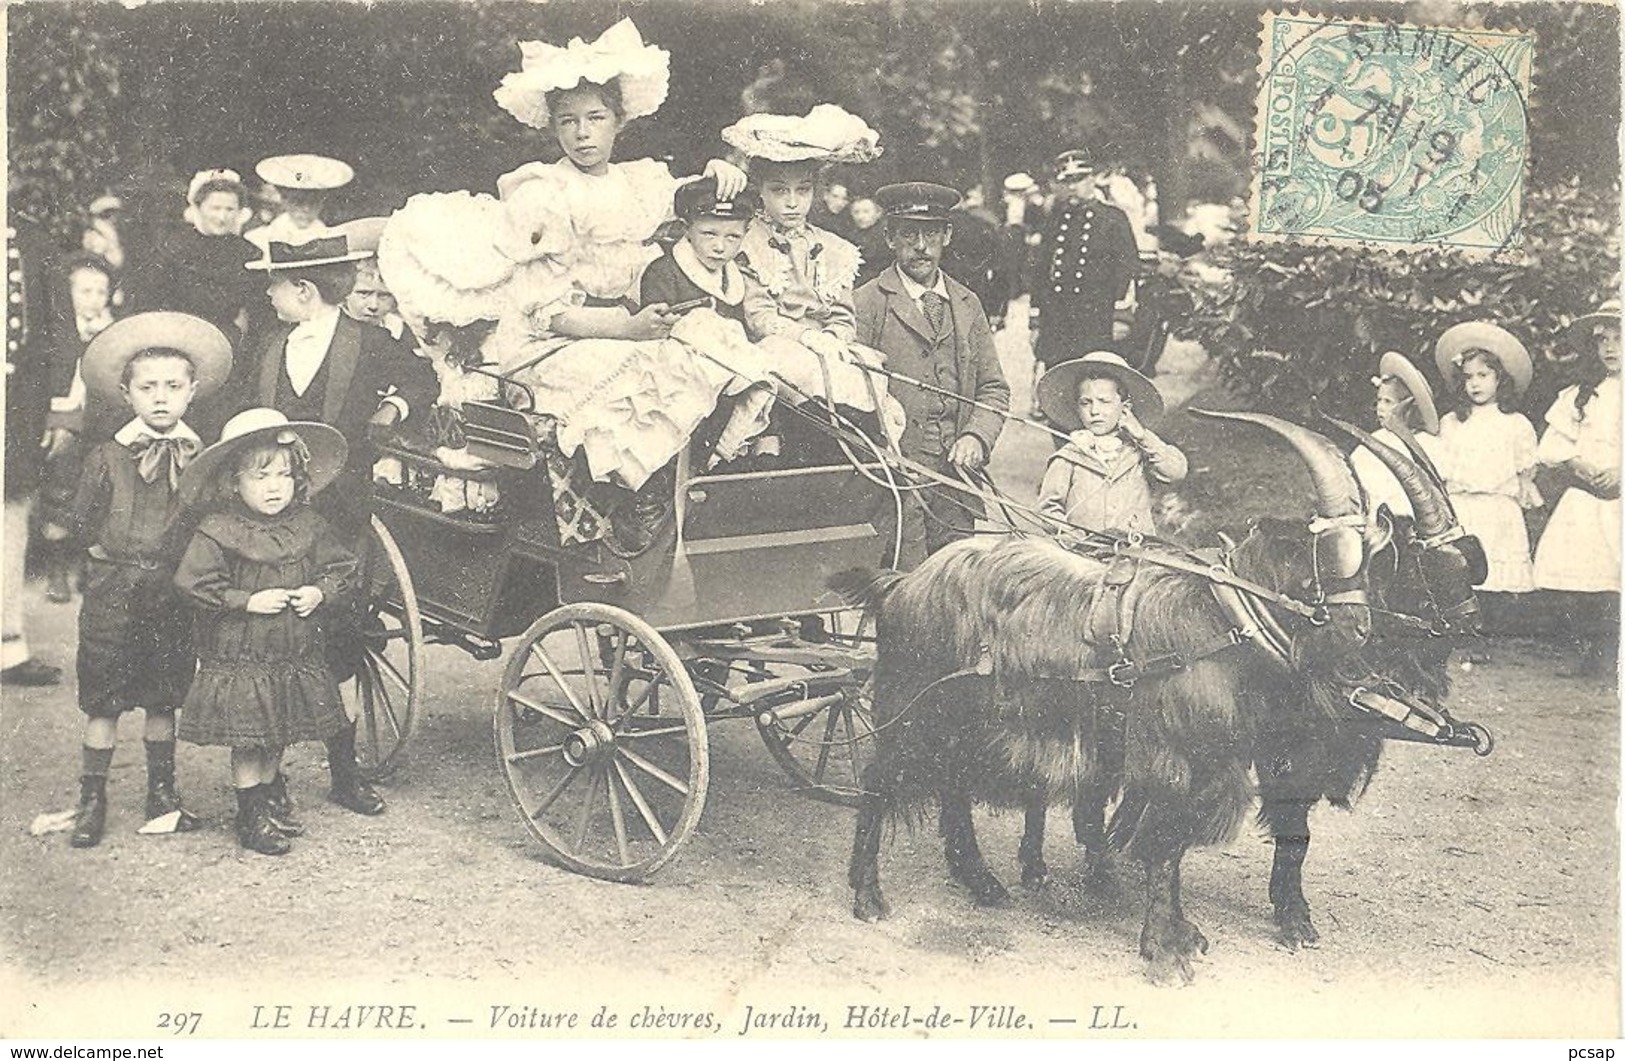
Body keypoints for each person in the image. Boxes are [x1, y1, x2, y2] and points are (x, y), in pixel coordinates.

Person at [489, 18, 776, 551]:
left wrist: (717, 169)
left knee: (717, 349)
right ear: (553, 128)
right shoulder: (543, 191)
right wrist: (627, 328)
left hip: (633, 324)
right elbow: (548, 312)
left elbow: (691, 196)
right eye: (568, 121)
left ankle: (702, 479)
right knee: (638, 376)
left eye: (596, 118)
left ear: (618, 122)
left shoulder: (637, 182)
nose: (583, 133)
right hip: (559, 339)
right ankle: (637, 499)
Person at [241, 232, 440, 816]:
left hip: (342, 512)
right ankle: (268, 778)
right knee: (272, 638)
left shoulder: (369, 341)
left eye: (275, 284)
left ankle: (344, 771)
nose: (270, 295)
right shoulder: (268, 345)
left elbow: (423, 381)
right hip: (274, 512)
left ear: (302, 290)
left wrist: (391, 409)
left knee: (343, 640)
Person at [61, 311, 234, 847]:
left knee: (163, 697)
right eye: (148, 387)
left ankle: (162, 791)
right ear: (126, 392)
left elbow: (208, 523)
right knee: (104, 698)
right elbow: (83, 522)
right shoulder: (106, 456)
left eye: (173, 387)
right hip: (115, 592)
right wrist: (105, 562)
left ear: (192, 391)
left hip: (171, 594)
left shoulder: (201, 459)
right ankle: (93, 796)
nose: (161, 398)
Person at [173, 409, 357, 855]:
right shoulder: (219, 531)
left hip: (293, 650)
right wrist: (246, 601)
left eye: (284, 475)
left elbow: (341, 568)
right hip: (245, 655)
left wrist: (318, 591)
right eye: (261, 476)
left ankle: (270, 795)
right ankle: (250, 812)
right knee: (250, 736)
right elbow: (194, 583)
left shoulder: (308, 525)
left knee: (280, 729)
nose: (274, 487)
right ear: (233, 482)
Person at [854, 182, 1010, 569]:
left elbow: (994, 387)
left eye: (932, 233)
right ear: (890, 237)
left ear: (948, 236)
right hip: (896, 485)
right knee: (906, 592)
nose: (921, 246)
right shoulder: (867, 303)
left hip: (958, 484)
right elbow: (849, 397)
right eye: (909, 233)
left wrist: (976, 436)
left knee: (955, 589)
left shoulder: (967, 303)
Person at [726, 103, 891, 467]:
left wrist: (834, 338)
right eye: (779, 191)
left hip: (824, 348)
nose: (791, 202)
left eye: (802, 191)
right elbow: (758, 315)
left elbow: (843, 315)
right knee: (797, 370)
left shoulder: (834, 247)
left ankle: (852, 461)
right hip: (772, 347)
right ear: (761, 191)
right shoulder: (746, 242)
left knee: (863, 370)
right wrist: (805, 338)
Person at [1434, 321, 1540, 633]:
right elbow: (1442, 464)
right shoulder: (1453, 422)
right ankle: (1464, 628)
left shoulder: (1515, 423)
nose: (1475, 384)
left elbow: (1526, 467)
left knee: (1496, 566)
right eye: (1468, 377)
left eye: (1483, 375)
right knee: (1461, 570)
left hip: (1497, 506)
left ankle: (1491, 629)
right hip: (1462, 505)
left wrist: (1521, 486)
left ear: (1500, 379)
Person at [1534, 301, 1621, 677]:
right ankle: (1594, 650)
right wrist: (1578, 464)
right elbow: (1553, 443)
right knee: (1585, 573)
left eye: (1619, 338)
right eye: (1602, 340)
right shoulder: (1584, 394)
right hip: (1588, 495)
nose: (1610, 347)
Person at [1029, 150, 1139, 420]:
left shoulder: (1113, 218)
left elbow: (1128, 270)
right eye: (1066, 181)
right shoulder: (1055, 220)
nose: (1072, 186)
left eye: (1078, 179)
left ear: (1093, 179)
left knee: (1096, 392)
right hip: (1057, 321)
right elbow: (1040, 273)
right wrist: (1035, 321)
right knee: (1058, 393)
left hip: (1096, 320)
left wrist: (1121, 316)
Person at [37, 255, 120, 603]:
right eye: (85, 291)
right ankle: (56, 569)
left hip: (103, 422)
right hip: (66, 420)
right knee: (61, 489)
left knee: (100, 490)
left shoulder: (113, 330)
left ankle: (89, 563)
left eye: (100, 291)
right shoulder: (56, 329)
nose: (94, 299)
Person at [3, 216, 64, 688]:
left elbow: (60, 331)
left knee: (10, 517)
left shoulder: (32, 237)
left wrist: (59, 409)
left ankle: (8, 645)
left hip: (17, 402)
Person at [1035, 350, 1187, 535]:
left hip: (1135, 553)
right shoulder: (1070, 456)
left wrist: (1142, 436)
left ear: (1125, 408)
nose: (1094, 411)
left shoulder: (1138, 451)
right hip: (1083, 555)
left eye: (1104, 401)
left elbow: (1176, 471)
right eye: (1085, 402)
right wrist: (1070, 536)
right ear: (1077, 408)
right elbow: (1048, 508)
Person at [141, 170, 261, 350]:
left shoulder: (248, 253)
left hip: (231, 343)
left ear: (239, 211)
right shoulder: (173, 248)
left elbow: (255, 308)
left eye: (229, 209)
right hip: (180, 340)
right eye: (215, 208)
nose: (222, 217)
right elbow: (154, 302)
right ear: (198, 207)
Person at [1348, 351, 1446, 520]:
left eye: (1388, 402)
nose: (1380, 408)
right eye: (1379, 401)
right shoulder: (1374, 441)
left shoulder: (1425, 443)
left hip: (1412, 517)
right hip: (1377, 516)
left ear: (1408, 406)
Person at [245, 154, 354, 253]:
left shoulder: (328, 236)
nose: (306, 208)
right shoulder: (260, 239)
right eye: (298, 202)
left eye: (313, 202)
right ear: (285, 201)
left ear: (322, 203)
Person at [848, 195, 891, 289]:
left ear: (878, 213)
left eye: (866, 211)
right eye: (856, 212)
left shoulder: (884, 235)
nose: (860, 216)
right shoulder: (852, 234)